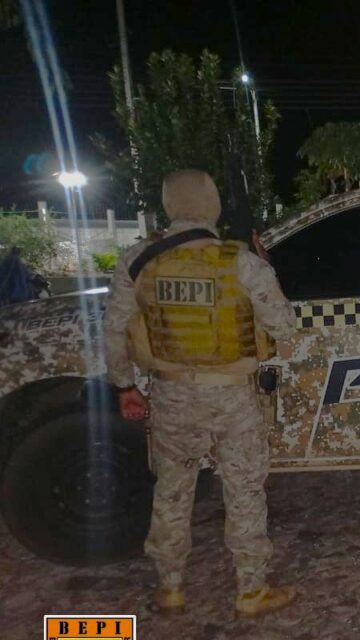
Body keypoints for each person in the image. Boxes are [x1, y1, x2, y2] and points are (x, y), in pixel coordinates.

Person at [103, 169, 296, 617]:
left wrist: (125, 387)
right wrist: (266, 267)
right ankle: (251, 590)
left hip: (171, 395)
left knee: (172, 489)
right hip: (231, 398)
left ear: (169, 205)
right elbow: (283, 326)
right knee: (244, 490)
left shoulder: (138, 259)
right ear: (212, 204)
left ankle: (170, 587)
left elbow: (115, 329)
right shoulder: (241, 262)